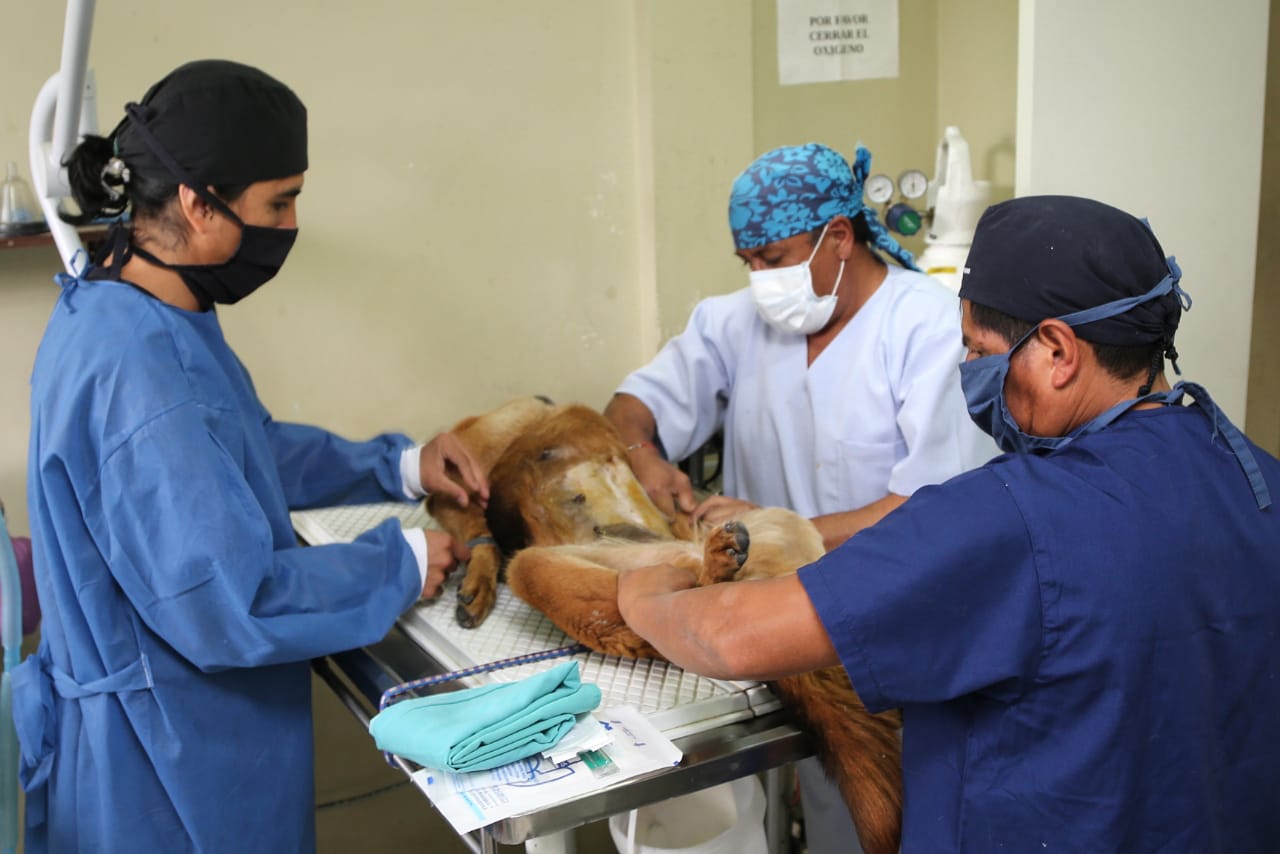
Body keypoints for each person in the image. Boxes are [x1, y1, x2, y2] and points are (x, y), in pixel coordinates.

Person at [617, 195, 1280, 852]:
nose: (968, 374)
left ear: (1057, 352)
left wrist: (640, 592)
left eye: (979, 351)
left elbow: (730, 636)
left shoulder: (1009, 517)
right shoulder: (1259, 479)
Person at [12, 60, 488, 853]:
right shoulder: (139, 374)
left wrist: (396, 466)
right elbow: (229, 600)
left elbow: (235, 449)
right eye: (280, 201)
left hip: (158, 736)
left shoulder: (127, 309)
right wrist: (396, 564)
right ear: (199, 204)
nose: (292, 224)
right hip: (165, 775)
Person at [605, 142, 995, 850]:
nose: (761, 280)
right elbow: (632, 406)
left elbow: (931, 509)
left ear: (839, 237)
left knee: (883, 808)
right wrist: (644, 458)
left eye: (776, 259)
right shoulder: (734, 324)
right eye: (748, 263)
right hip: (769, 622)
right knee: (796, 802)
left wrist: (775, 530)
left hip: (893, 620)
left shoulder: (926, 329)